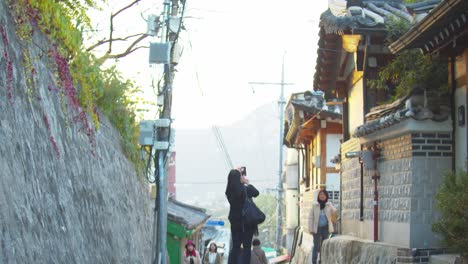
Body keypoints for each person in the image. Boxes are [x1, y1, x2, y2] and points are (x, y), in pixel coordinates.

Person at [225, 169, 260, 264]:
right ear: (238, 178)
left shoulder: (228, 191)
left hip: (235, 222)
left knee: (236, 246)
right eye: (240, 176)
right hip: (247, 223)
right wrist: (247, 183)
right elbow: (256, 193)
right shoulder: (244, 189)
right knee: (247, 247)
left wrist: (238, 177)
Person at [309, 189, 338, 264]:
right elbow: (311, 218)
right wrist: (310, 229)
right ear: (318, 196)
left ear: (326, 196)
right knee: (316, 245)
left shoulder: (328, 205)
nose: (322, 196)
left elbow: (335, 212)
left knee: (324, 246)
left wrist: (331, 205)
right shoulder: (314, 205)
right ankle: (314, 261)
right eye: (320, 194)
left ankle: (321, 261)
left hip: (326, 227)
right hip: (317, 228)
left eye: (324, 195)